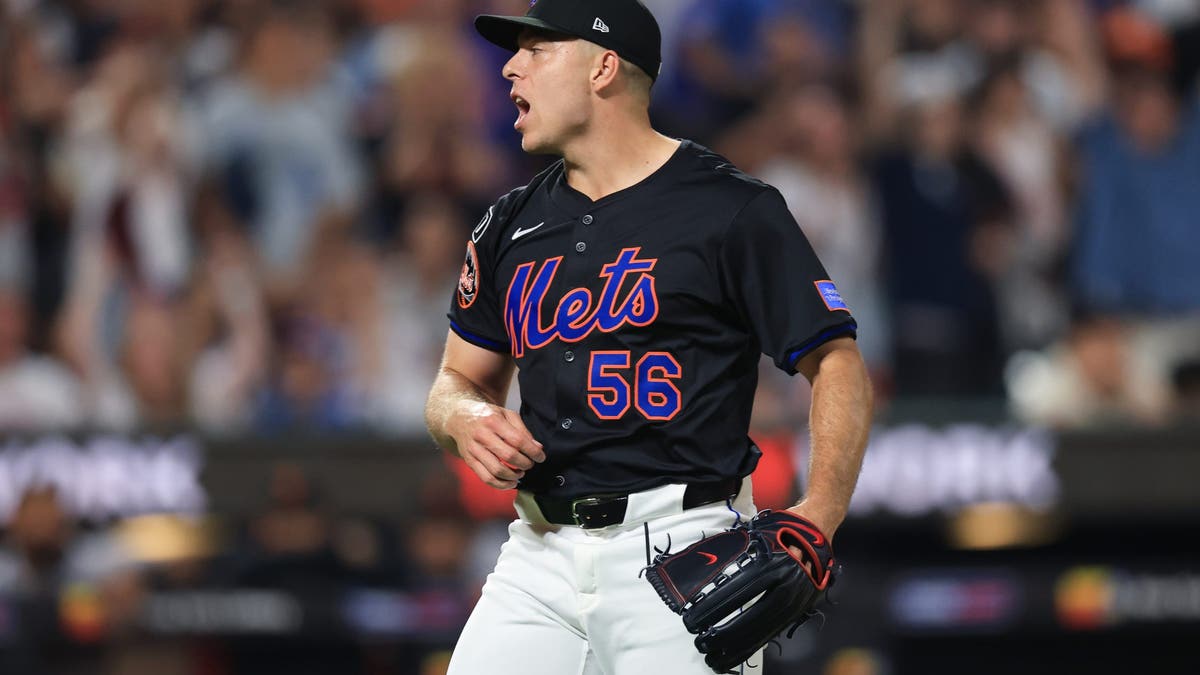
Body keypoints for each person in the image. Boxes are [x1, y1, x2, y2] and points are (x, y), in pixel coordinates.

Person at [423, 2, 873, 673]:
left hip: (683, 545)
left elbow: (835, 360)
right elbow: (455, 382)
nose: (511, 68)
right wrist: (464, 417)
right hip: (537, 553)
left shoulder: (730, 209)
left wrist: (821, 513)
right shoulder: (507, 223)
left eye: (537, 51)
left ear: (603, 66)